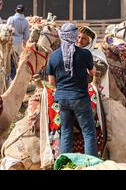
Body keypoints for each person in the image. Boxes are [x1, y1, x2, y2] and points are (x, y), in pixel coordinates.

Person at [46, 23, 98, 157]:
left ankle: (65, 162)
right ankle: (91, 164)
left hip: (62, 99)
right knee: (88, 131)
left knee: (66, 131)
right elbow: (92, 72)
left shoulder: (54, 56)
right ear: (75, 36)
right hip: (80, 98)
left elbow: (51, 82)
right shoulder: (85, 54)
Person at [77, 26, 110, 97]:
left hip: (90, 92)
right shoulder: (73, 52)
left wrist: (87, 64)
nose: (80, 40)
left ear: (90, 41)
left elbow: (103, 68)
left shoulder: (97, 53)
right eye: (79, 37)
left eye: (84, 38)